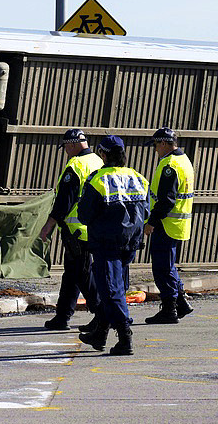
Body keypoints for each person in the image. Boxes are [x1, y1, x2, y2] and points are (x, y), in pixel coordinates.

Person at [76, 135, 150, 356]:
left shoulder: (98, 180)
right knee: (116, 286)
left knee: (111, 290)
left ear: (103, 155)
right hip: (130, 243)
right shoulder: (138, 178)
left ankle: (125, 336)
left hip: (106, 243)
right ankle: (100, 334)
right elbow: (146, 211)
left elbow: (84, 215)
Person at [39, 129, 104, 331]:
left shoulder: (76, 165)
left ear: (73, 144)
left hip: (76, 230)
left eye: (66, 147)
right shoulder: (98, 161)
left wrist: (48, 226)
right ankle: (62, 316)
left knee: (83, 274)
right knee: (72, 274)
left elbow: (64, 202)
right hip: (94, 228)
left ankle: (102, 314)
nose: (66, 151)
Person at [143, 127, 196, 324]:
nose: (155, 149)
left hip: (166, 224)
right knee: (168, 266)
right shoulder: (184, 160)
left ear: (164, 143)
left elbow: (166, 200)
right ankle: (180, 302)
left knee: (162, 268)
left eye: (156, 145)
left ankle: (169, 309)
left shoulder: (170, 165)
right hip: (177, 224)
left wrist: (151, 222)